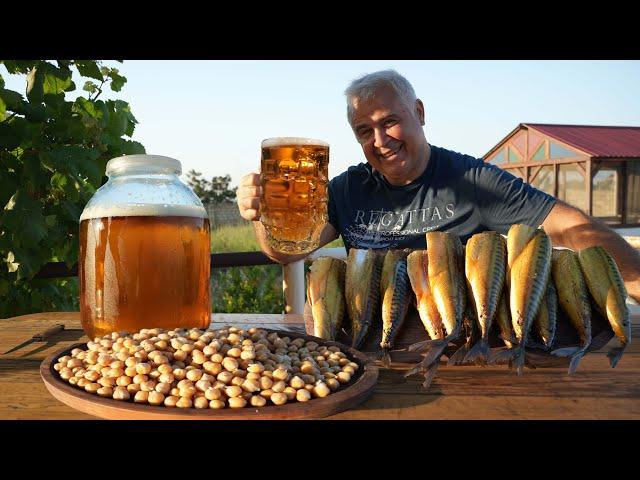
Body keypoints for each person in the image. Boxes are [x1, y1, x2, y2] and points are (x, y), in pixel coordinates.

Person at [237, 69, 640, 303]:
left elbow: (572, 227)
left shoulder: (473, 181)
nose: (380, 140)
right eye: (364, 130)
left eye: (389, 121)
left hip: (457, 346)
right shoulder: (347, 190)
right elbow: (289, 251)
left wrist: (636, 283)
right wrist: (260, 216)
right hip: (371, 346)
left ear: (419, 113)